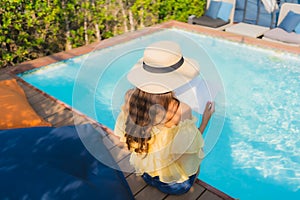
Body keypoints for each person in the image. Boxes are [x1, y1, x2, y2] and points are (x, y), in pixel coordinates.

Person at [114, 41, 215, 195]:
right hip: (174, 186)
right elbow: (187, 151)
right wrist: (205, 121)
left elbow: (126, 134)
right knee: (197, 156)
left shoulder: (130, 97)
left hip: (145, 174)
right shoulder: (181, 109)